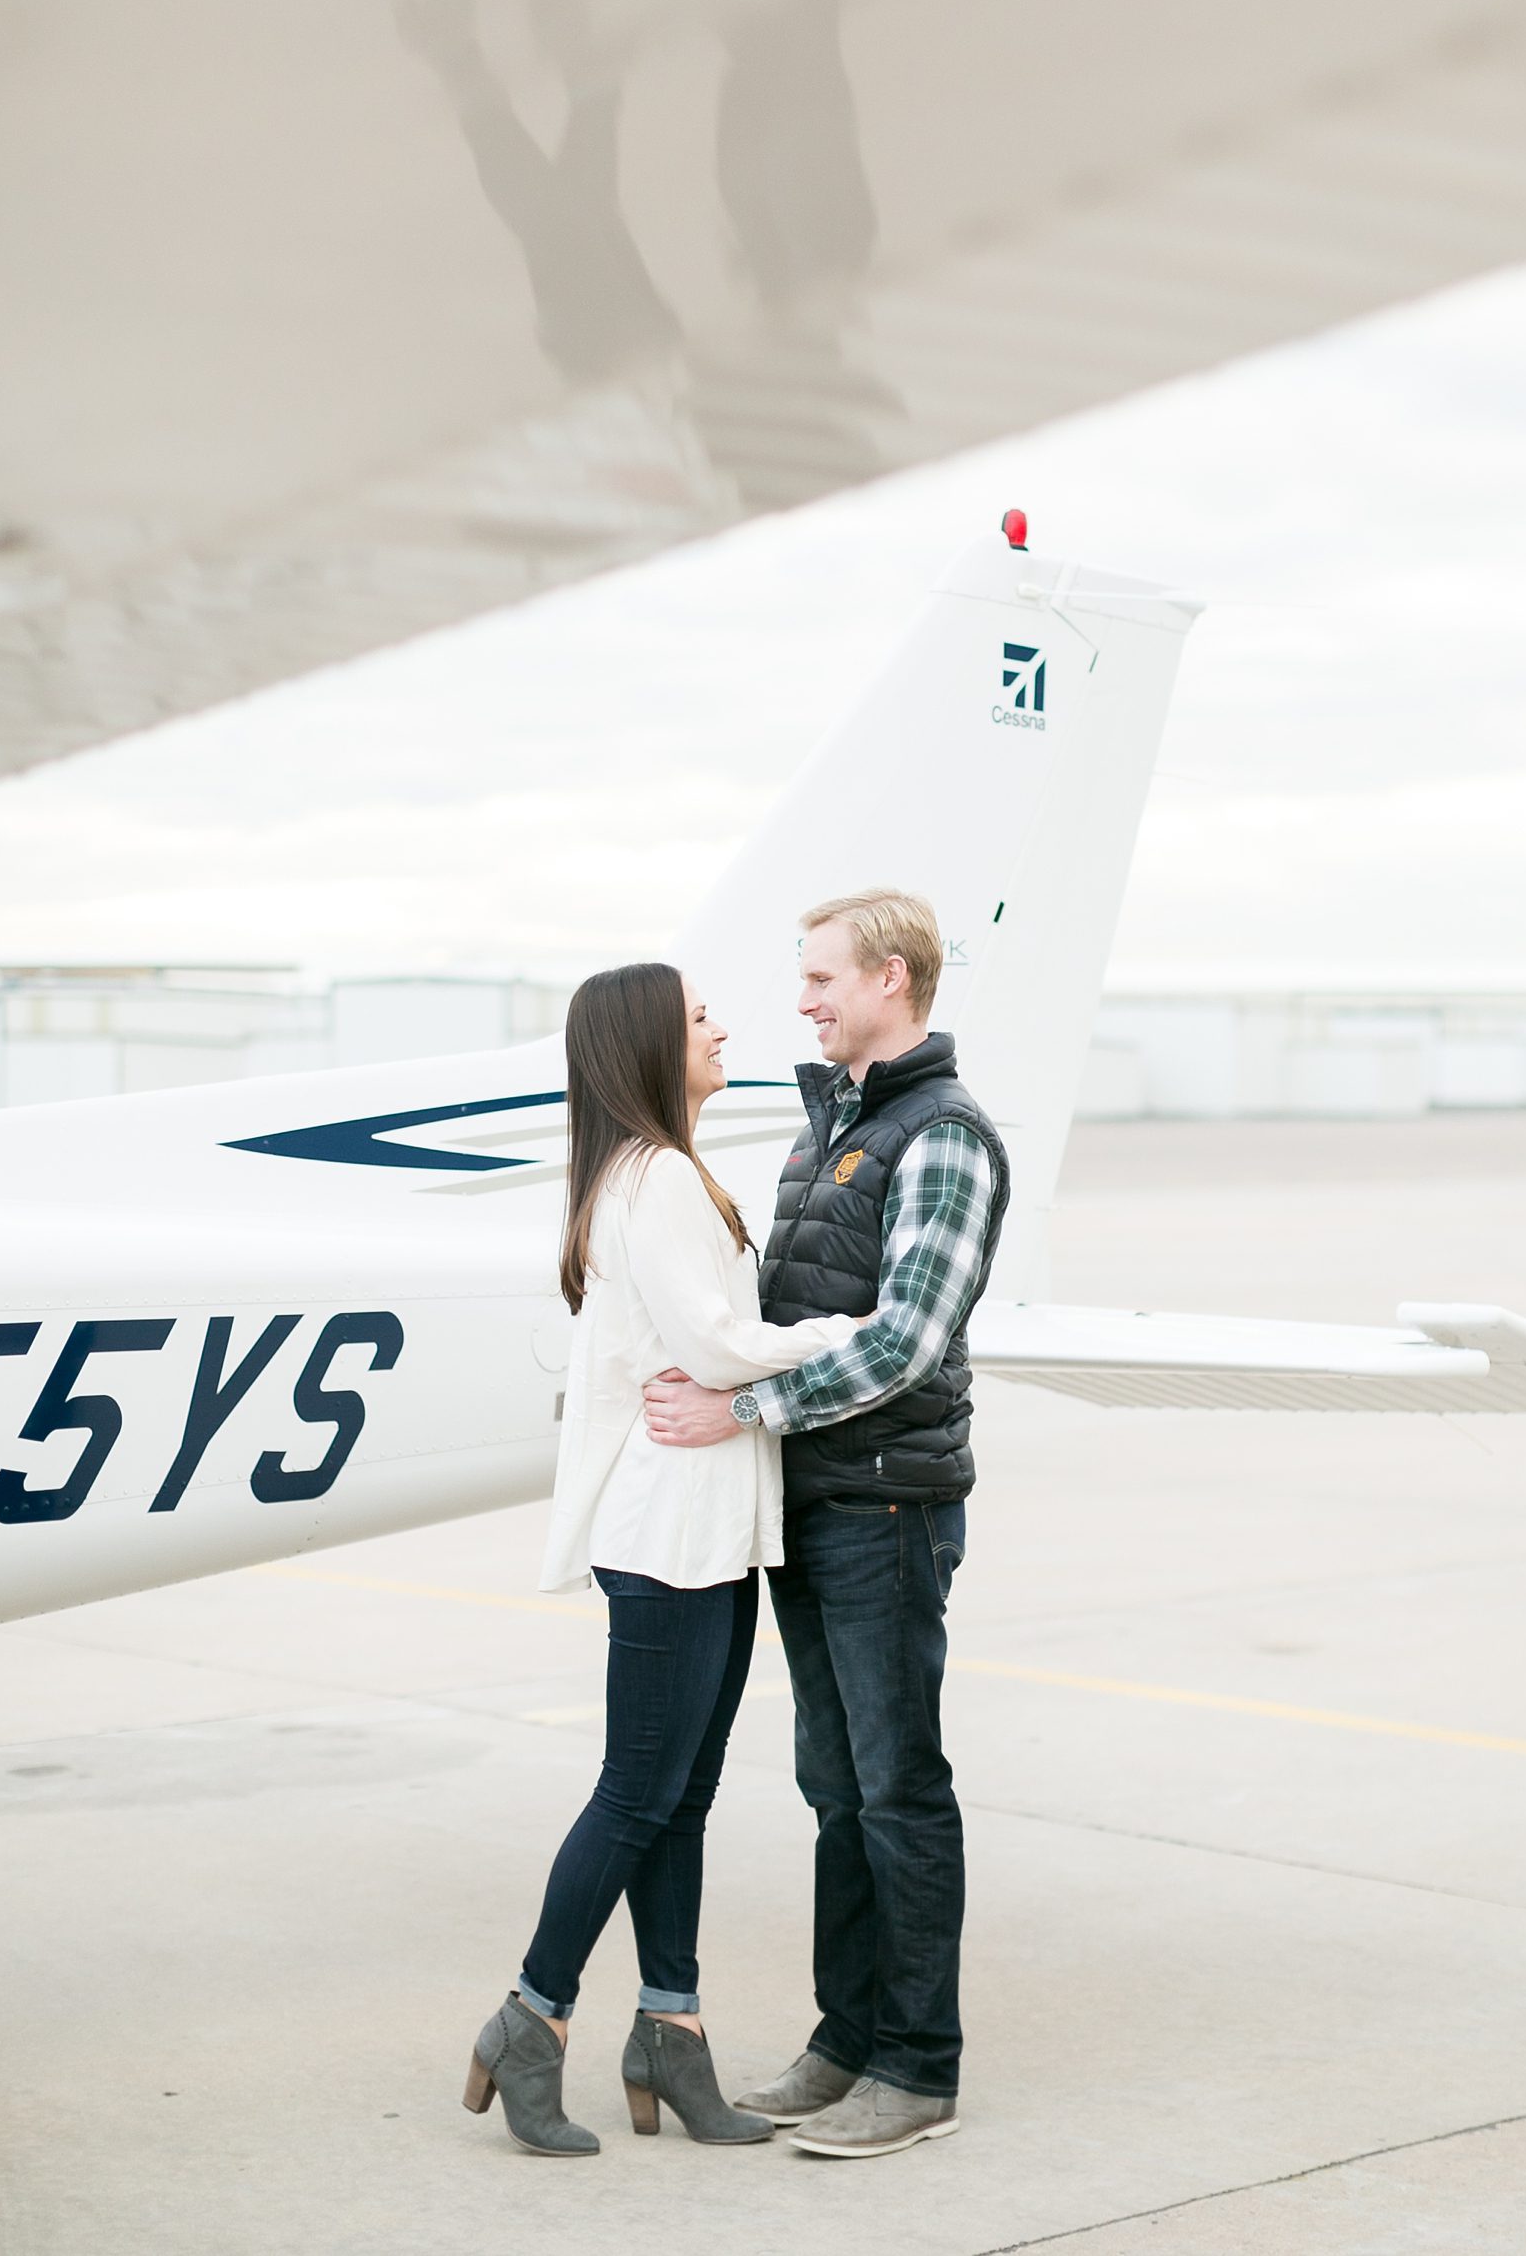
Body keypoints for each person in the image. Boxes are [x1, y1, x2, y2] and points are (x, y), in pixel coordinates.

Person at [464, 961, 856, 2157]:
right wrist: (848, 1333)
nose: (721, 1027)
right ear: (646, 1041)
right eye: (698, 1016)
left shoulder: (647, 1172)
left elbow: (707, 1349)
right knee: (638, 1792)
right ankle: (530, 2015)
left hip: (708, 1530)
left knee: (680, 1796)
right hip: (672, 1536)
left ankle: (671, 2033)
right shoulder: (659, 1178)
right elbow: (717, 1343)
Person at [643, 889, 1009, 2159]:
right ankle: (846, 2040)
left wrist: (744, 1411)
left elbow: (905, 1339)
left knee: (898, 1787)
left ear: (892, 978)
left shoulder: (942, 1135)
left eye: (820, 977)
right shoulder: (830, 1127)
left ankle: (917, 2066)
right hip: (817, 1498)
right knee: (836, 1786)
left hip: (887, 1503)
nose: (800, 1000)